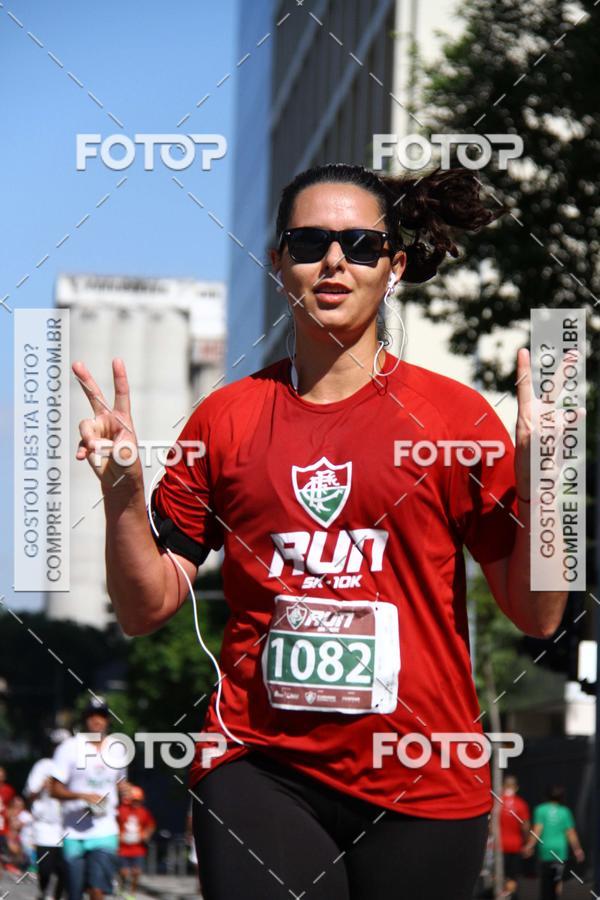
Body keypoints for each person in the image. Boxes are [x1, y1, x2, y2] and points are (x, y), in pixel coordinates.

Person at [72, 162, 570, 900]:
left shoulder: (454, 420)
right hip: (260, 767)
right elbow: (146, 610)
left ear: (393, 267)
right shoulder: (227, 418)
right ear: (278, 265)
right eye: (309, 242)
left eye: (360, 244)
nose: (334, 261)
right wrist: (121, 492)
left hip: (424, 776)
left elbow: (538, 613)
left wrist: (553, 480)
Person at [49, 697, 127, 900]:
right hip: (73, 831)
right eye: (92, 716)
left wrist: (128, 790)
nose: (97, 721)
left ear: (108, 720)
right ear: (85, 719)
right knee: (74, 893)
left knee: (97, 888)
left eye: (101, 716)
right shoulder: (69, 747)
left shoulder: (118, 748)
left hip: (105, 828)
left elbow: (120, 783)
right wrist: (82, 795)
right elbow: (54, 790)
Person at [24, 728, 71, 900]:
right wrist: (43, 786)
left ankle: (57, 897)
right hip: (45, 825)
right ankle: (44, 892)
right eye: (57, 745)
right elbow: (29, 795)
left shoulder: (74, 766)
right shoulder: (43, 766)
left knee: (64, 869)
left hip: (67, 824)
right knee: (45, 868)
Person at [523, 786, 585, 899]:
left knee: (546, 879)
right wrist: (577, 849)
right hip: (560, 850)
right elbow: (570, 833)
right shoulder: (565, 811)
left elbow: (538, 829)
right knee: (558, 878)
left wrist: (530, 845)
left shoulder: (540, 809)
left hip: (546, 849)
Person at [117, 785, 155, 898]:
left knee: (136, 872)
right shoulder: (121, 810)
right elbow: (113, 823)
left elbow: (151, 825)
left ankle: (132, 893)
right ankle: (122, 886)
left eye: (138, 800)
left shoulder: (144, 812)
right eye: (134, 800)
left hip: (138, 848)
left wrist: (146, 834)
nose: (136, 803)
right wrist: (118, 834)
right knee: (123, 872)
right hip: (123, 847)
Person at [499, 775, 530, 899]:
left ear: (502, 786)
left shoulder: (497, 802)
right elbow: (525, 827)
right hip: (515, 846)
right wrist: (527, 843)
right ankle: (509, 896)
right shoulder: (521, 804)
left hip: (499, 847)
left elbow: (490, 826)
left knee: (498, 876)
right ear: (516, 788)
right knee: (512, 877)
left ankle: (500, 894)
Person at [0, 765, 17, 872]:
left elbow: (11, 807)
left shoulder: (8, 790)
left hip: (3, 825)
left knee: (7, 848)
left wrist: (11, 821)